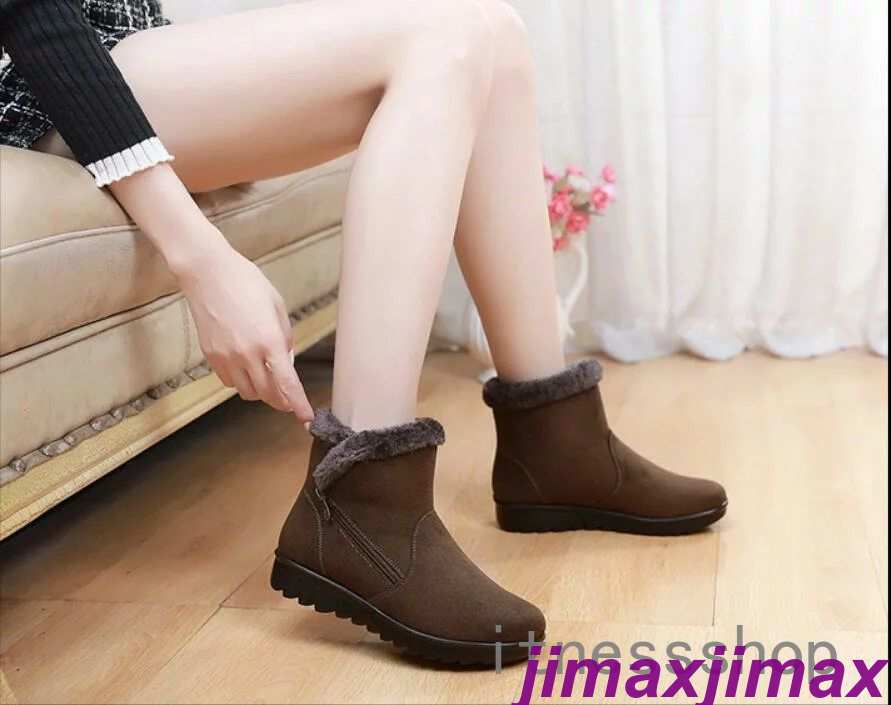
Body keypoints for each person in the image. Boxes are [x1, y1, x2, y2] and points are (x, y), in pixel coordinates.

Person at [1, 0, 727, 666]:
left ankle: (556, 443)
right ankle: (362, 495)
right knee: (442, 36)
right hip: (36, 79)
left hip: (118, 44)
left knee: (493, 33)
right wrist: (205, 261)